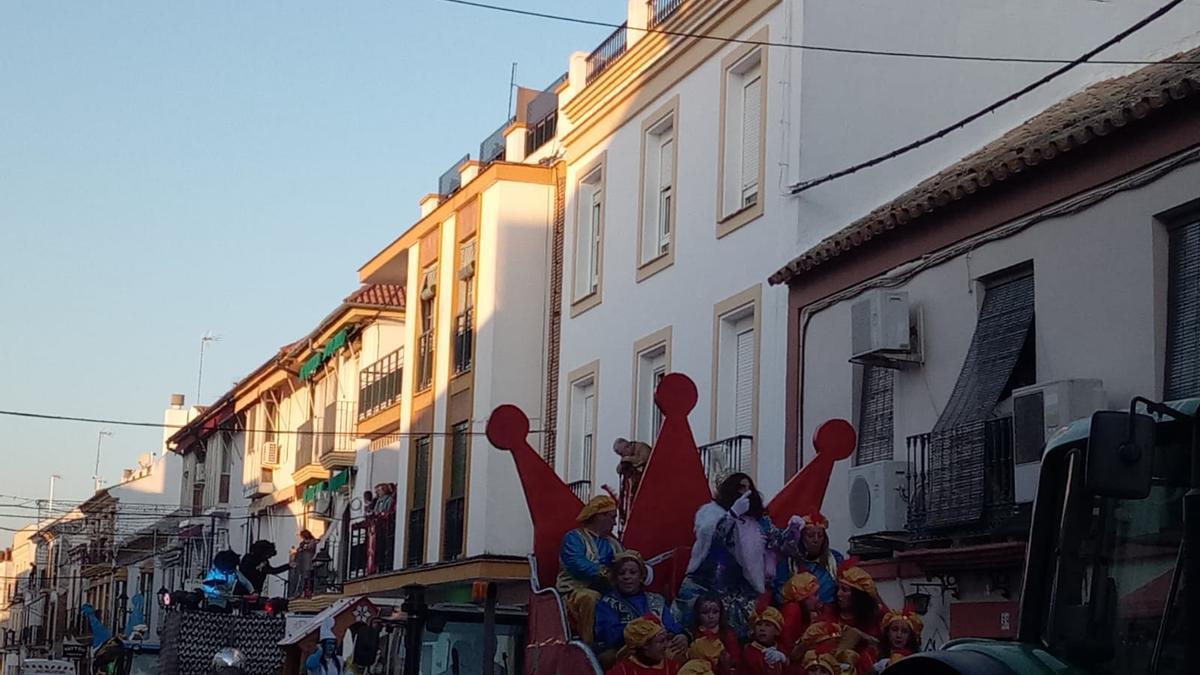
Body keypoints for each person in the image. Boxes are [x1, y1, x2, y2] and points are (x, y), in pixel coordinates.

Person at [674, 473, 778, 640]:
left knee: (736, 636)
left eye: (749, 487)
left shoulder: (759, 521)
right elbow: (713, 538)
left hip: (740, 588)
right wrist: (733, 514)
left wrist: (794, 532)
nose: (747, 492)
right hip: (705, 582)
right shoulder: (710, 512)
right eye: (741, 487)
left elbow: (777, 541)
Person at [596, 551, 688, 666]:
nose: (627, 577)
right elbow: (611, 636)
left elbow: (672, 626)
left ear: (641, 576)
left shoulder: (656, 599)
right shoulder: (607, 603)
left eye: (632, 572)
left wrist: (682, 636)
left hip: (660, 647)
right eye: (622, 573)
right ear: (615, 578)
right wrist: (648, 638)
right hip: (628, 651)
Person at [557, 495, 624, 644]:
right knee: (590, 597)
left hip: (609, 592)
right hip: (574, 594)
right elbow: (576, 563)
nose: (614, 523)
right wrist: (606, 572)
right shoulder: (574, 538)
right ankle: (589, 645)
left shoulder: (614, 544)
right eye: (612, 517)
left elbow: (625, 561)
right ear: (600, 516)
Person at [789, 513, 844, 605]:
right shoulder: (789, 561)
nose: (816, 540)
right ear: (801, 538)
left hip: (830, 611)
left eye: (820, 535)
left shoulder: (836, 558)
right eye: (810, 536)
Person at [605, 615, 682, 675]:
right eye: (661, 641)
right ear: (645, 645)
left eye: (667, 639)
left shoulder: (673, 667)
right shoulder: (623, 671)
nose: (667, 645)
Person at [778, 572, 830, 660]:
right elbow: (787, 645)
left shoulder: (806, 611)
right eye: (814, 595)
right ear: (803, 597)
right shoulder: (792, 610)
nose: (818, 599)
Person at [686, 594, 740, 675]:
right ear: (697, 614)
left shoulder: (727, 633)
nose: (710, 616)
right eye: (705, 612)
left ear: (721, 613)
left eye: (715, 612)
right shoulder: (691, 633)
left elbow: (736, 657)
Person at [740, 608, 789, 675]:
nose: (762, 629)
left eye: (768, 625)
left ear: (777, 631)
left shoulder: (782, 649)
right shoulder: (749, 653)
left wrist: (784, 660)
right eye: (759, 624)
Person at [292, 530, 320, 598]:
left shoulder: (312, 541)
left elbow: (310, 547)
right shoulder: (302, 543)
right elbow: (299, 549)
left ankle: (307, 592)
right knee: (301, 577)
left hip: (308, 561)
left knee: (307, 577)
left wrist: (304, 547)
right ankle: (299, 592)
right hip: (301, 562)